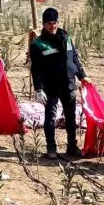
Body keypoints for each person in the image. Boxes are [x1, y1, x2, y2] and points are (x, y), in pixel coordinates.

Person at [30, 8, 89, 159]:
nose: (52, 26)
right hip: (50, 87)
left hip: (68, 84)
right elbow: (35, 69)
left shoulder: (66, 38)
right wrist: (38, 89)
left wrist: (82, 76)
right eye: (49, 23)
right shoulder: (38, 44)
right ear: (44, 25)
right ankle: (51, 148)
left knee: (70, 117)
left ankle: (72, 146)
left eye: (54, 23)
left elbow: (74, 59)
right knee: (50, 117)